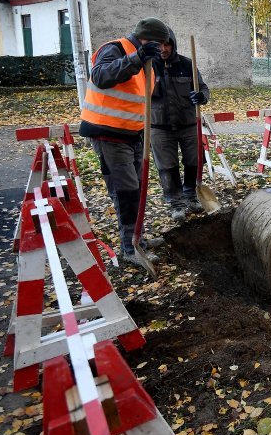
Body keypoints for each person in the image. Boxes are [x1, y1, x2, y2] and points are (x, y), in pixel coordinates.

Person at [79, 17, 169, 267]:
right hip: (108, 132)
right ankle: (129, 246)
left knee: (138, 189)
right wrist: (137, 57)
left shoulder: (148, 61)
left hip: (132, 133)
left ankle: (137, 236)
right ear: (146, 38)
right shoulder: (115, 49)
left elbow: (143, 95)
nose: (162, 49)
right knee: (126, 190)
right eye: (160, 43)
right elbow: (101, 76)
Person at [149, 27, 209, 221]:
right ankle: (176, 204)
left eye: (167, 44)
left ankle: (191, 195)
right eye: (159, 44)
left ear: (173, 44)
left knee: (194, 161)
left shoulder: (187, 65)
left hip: (188, 124)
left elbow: (204, 89)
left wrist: (201, 96)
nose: (163, 48)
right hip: (159, 127)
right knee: (167, 167)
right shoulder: (147, 67)